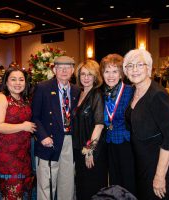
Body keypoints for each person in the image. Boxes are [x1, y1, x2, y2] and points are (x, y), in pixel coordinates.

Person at [123, 49, 169, 199]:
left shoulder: (157, 94)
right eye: (130, 66)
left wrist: (160, 176)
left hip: (160, 160)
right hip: (144, 158)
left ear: (148, 68)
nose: (134, 70)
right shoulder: (135, 90)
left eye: (139, 65)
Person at [32, 56, 80, 200]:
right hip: (49, 140)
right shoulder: (43, 87)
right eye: (60, 67)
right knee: (46, 183)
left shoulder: (78, 90)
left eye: (68, 67)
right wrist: (42, 136)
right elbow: (34, 116)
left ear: (72, 70)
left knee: (67, 183)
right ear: (54, 69)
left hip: (69, 142)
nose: (64, 70)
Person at [0, 67, 37, 199]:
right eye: (13, 79)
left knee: (23, 187)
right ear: (6, 82)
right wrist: (23, 126)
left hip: (23, 152)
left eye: (21, 79)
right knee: (12, 190)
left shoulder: (24, 99)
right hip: (7, 154)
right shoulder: (1, 98)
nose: (18, 83)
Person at [100, 53, 136, 195]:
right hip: (108, 142)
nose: (110, 75)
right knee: (114, 182)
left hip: (126, 142)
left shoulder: (131, 91)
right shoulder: (101, 93)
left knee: (128, 181)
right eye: (107, 71)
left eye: (115, 71)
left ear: (121, 74)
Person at [73, 59, 107, 199]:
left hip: (91, 150)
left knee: (92, 188)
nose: (86, 78)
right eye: (83, 74)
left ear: (95, 77)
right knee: (81, 185)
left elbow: (99, 125)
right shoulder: (78, 94)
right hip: (78, 148)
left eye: (90, 74)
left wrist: (89, 150)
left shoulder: (97, 94)